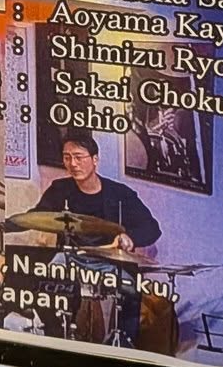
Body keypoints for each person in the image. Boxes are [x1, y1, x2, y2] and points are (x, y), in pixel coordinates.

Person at [27, 133, 162, 346]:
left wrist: (130, 237)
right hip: (71, 258)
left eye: (79, 157)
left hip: (109, 261)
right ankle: (56, 338)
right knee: (43, 281)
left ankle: (124, 343)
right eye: (67, 157)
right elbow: (36, 216)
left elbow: (152, 228)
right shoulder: (60, 189)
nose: (73, 163)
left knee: (131, 288)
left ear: (95, 159)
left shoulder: (120, 194)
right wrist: (11, 223)